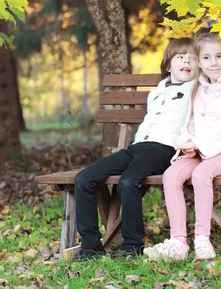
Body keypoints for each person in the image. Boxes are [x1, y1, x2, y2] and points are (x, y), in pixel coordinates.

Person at [73, 38, 198, 261]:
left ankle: (132, 245)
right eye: (181, 57)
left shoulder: (196, 90)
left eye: (193, 58)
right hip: (137, 147)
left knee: (128, 181)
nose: (187, 61)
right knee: (84, 178)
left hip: (164, 149)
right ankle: (91, 245)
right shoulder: (155, 93)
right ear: (169, 65)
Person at [144, 31, 221, 262]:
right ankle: (178, 242)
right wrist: (187, 142)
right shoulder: (198, 85)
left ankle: (202, 239)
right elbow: (190, 121)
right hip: (201, 150)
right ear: (199, 60)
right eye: (206, 58)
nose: (213, 63)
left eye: (220, 56)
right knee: (171, 175)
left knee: (201, 173)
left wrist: (200, 143)